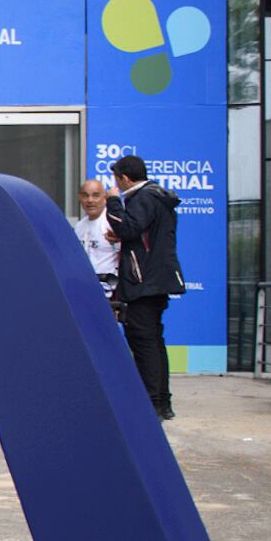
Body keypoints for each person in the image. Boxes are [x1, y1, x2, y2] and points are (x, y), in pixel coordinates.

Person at [105, 155, 185, 420]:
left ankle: (152, 404)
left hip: (144, 283)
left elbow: (127, 227)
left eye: (116, 180)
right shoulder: (157, 197)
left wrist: (113, 200)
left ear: (125, 178)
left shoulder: (143, 197)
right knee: (153, 342)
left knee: (144, 343)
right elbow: (139, 234)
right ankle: (161, 401)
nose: (115, 185)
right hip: (155, 281)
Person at [73, 179, 120, 299]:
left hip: (109, 293)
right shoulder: (79, 226)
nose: (90, 200)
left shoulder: (112, 223)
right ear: (79, 198)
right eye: (85, 196)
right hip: (84, 290)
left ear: (104, 197)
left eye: (95, 195)